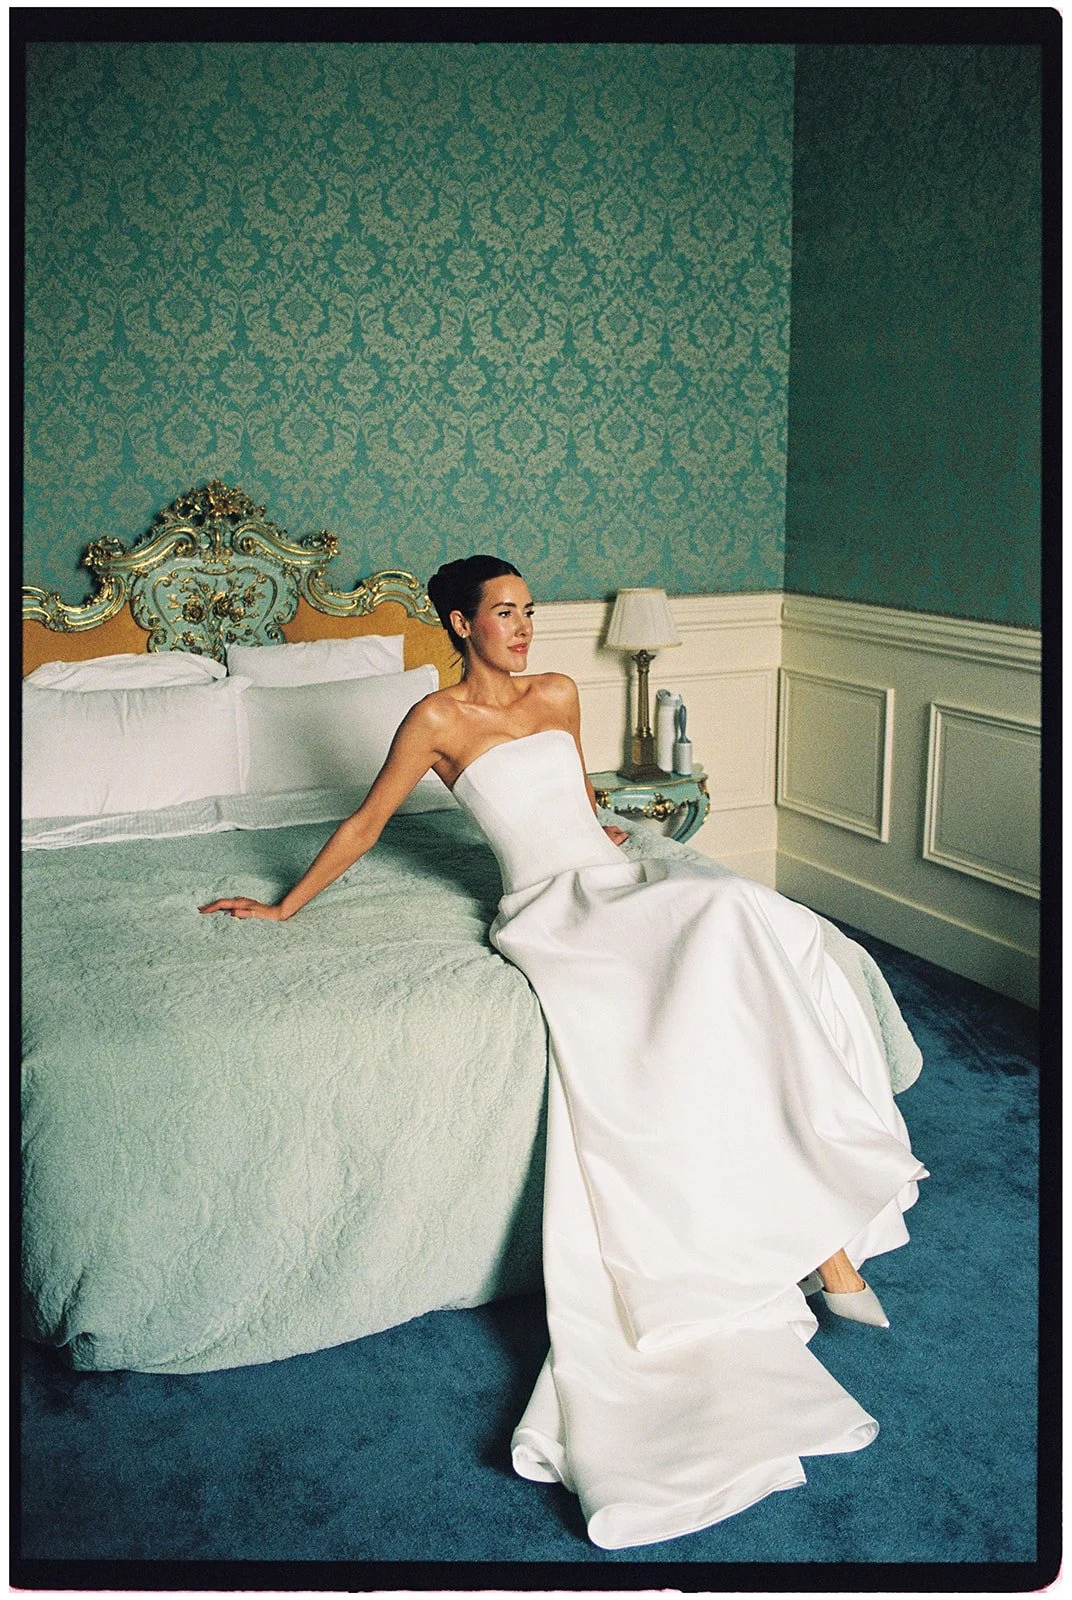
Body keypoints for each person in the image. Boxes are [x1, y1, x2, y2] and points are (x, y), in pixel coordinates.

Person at [201, 555, 926, 1549]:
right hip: (547, 911)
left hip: (610, 882)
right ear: (460, 624)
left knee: (758, 924)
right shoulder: (434, 720)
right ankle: (824, 1248)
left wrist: (631, 850)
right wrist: (284, 906)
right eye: (503, 613)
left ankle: (821, 1236)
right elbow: (366, 826)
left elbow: (579, 801)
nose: (523, 628)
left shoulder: (557, 691)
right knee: (722, 935)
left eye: (529, 611)